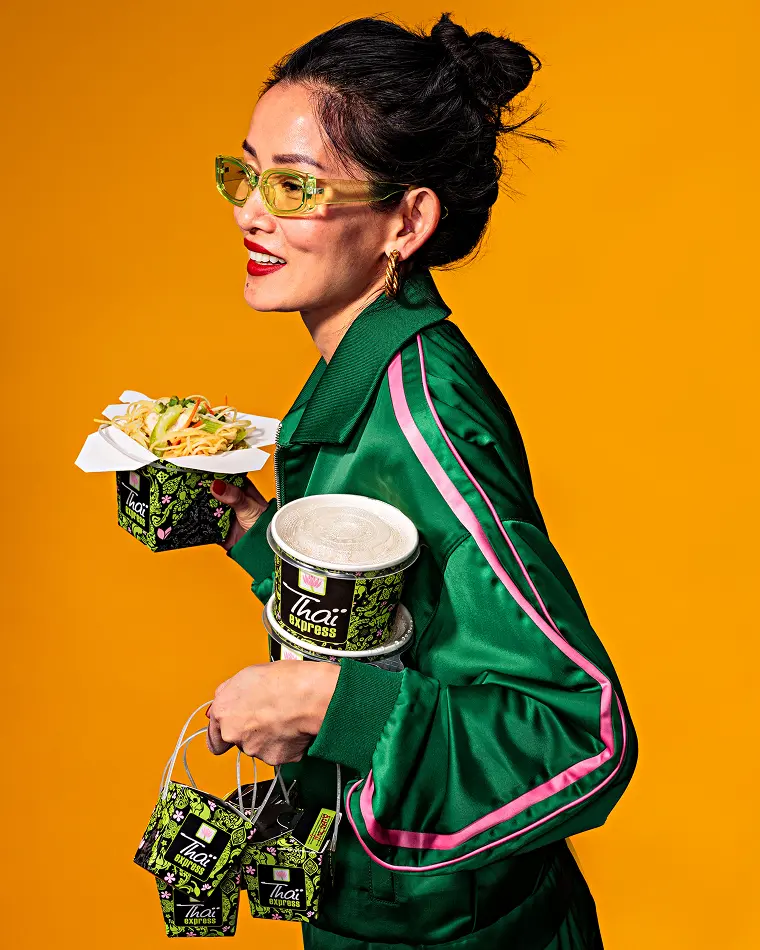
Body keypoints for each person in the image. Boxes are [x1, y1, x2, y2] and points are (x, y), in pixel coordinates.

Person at [204, 12, 638, 949]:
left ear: (407, 221)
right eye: (245, 173)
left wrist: (328, 707)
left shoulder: (424, 416)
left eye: (295, 186)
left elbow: (583, 735)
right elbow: (414, 611)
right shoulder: (360, 376)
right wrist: (255, 533)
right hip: (375, 911)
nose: (250, 212)